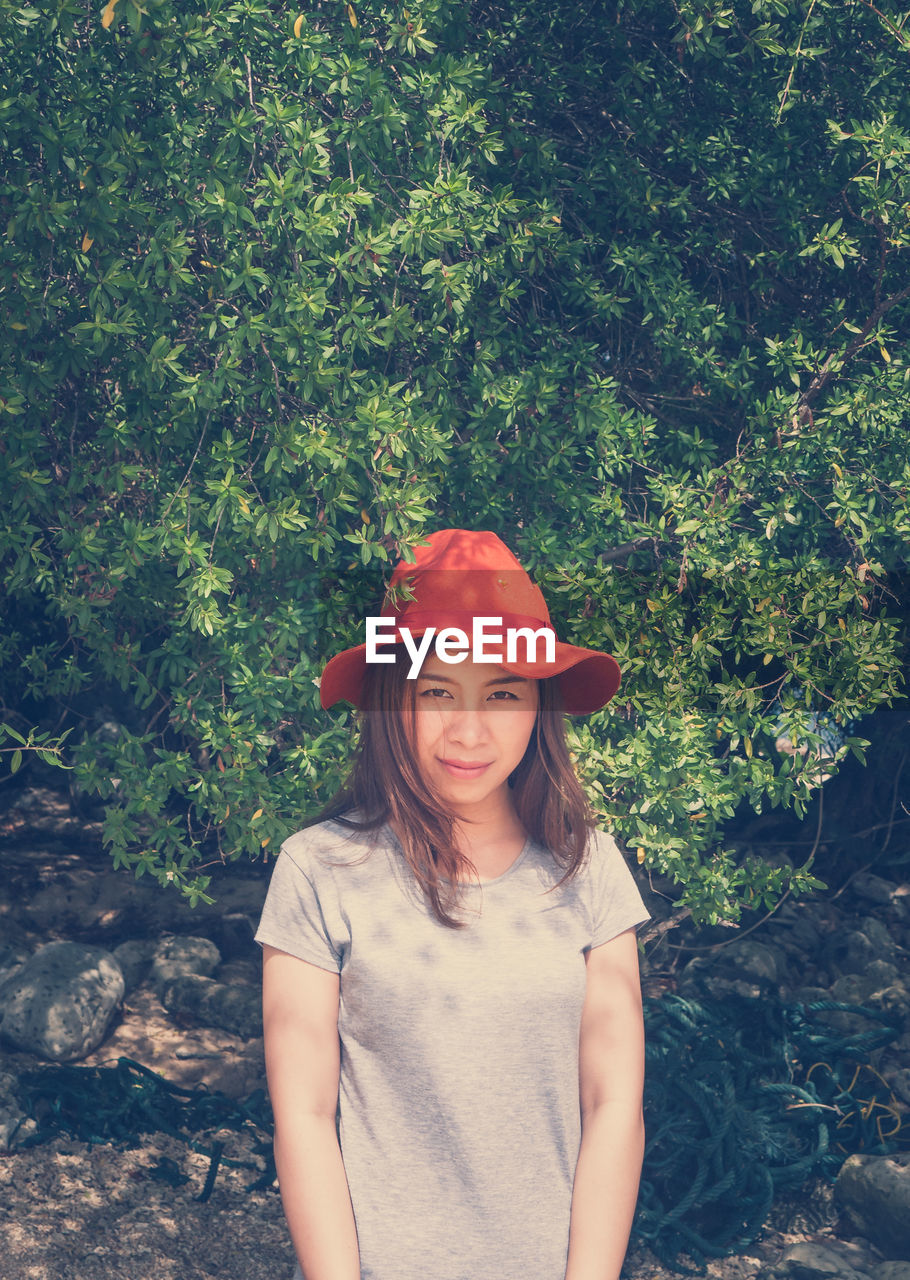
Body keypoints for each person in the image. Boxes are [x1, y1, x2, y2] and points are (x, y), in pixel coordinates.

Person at [255, 528, 650, 1280]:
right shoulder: (318, 870)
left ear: (539, 707)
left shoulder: (589, 868)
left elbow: (613, 1108)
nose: (469, 731)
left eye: (502, 692)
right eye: (436, 691)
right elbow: (303, 1119)